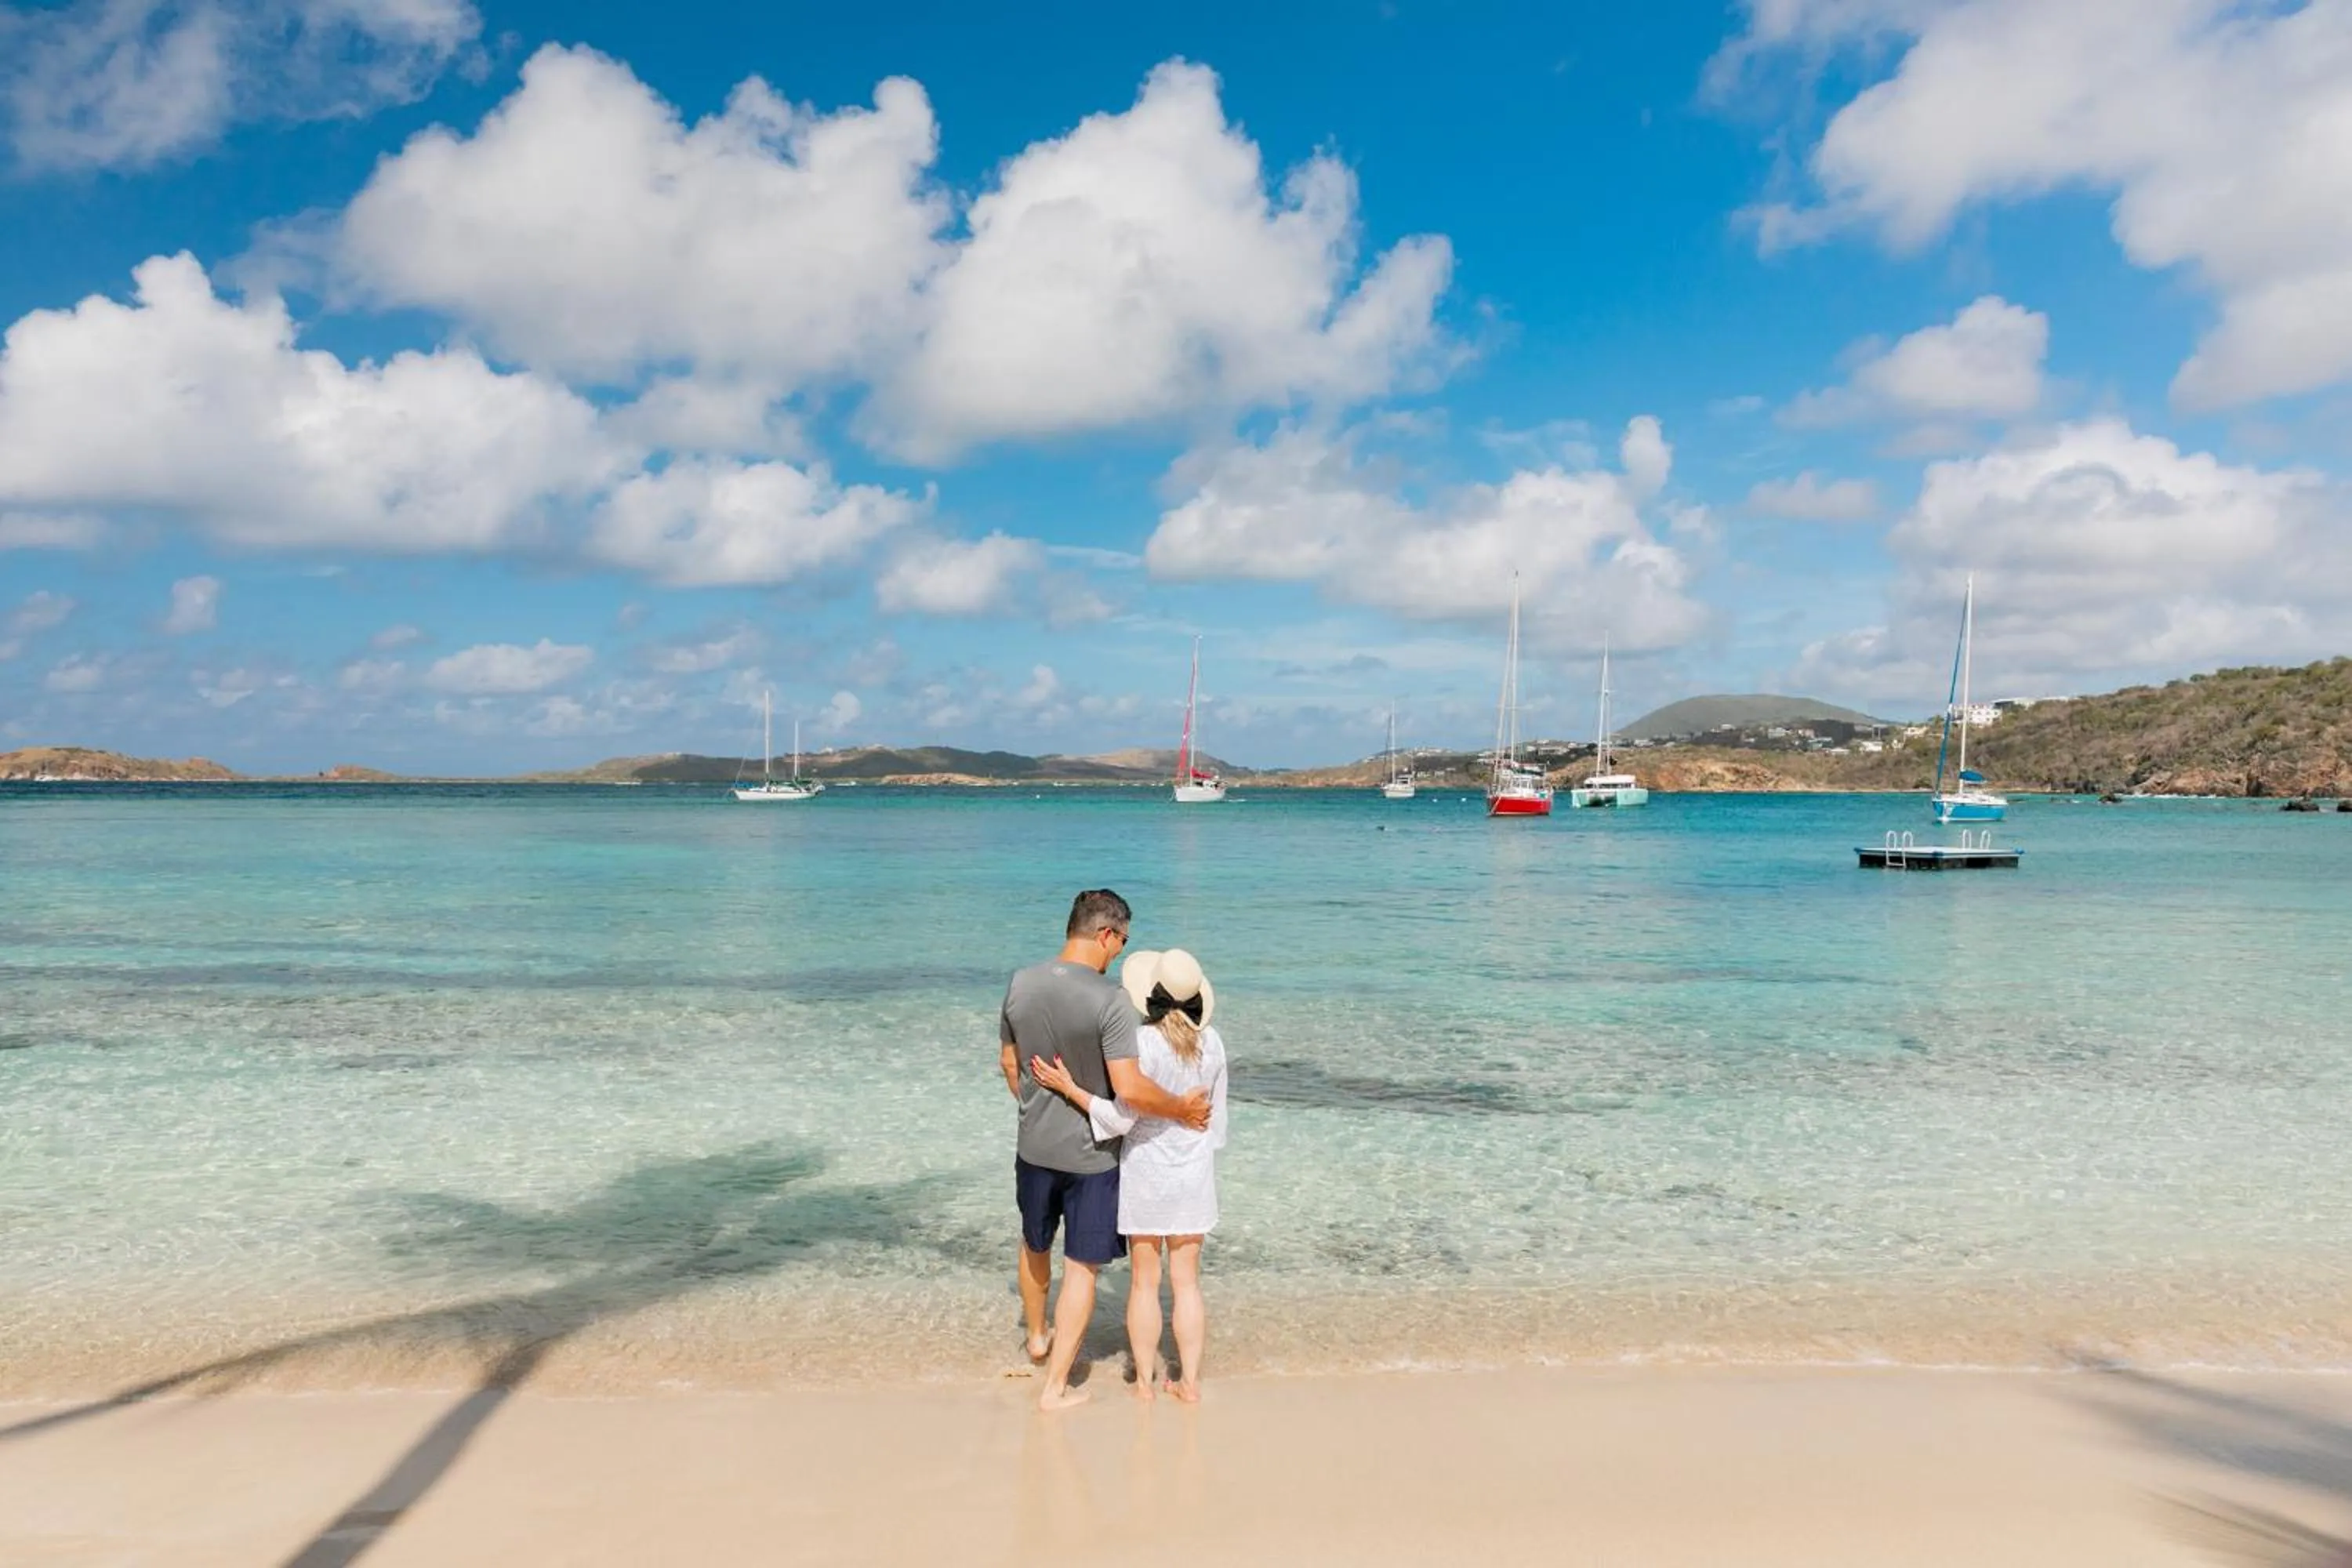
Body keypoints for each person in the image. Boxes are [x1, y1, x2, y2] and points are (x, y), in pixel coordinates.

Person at [1000, 890, 1210, 1412]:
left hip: (1033, 1146)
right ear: (1106, 935)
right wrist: (1181, 1110)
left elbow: (1009, 1062)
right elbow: (1132, 1090)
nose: (1120, 953)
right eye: (1123, 942)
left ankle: (1036, 1338)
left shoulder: (1020, 982)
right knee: (1082, 1269)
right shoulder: (1111, 1000)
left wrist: (1032, 1106)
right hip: (1091, 1157)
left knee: (1034, 1243)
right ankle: (1056, 1388)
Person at [1031, 947, 1228, 1404]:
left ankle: (1143, 1383)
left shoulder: (1142, 1044)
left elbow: (1121, 1119)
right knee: (1187, 1283)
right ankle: (1190, 1383)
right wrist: (1196, 1147)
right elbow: (1216, 1122)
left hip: (1146, 1173)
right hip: (1193, 1175)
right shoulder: (1213, 1042)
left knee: (1144, 1282)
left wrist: (1070, 1089)